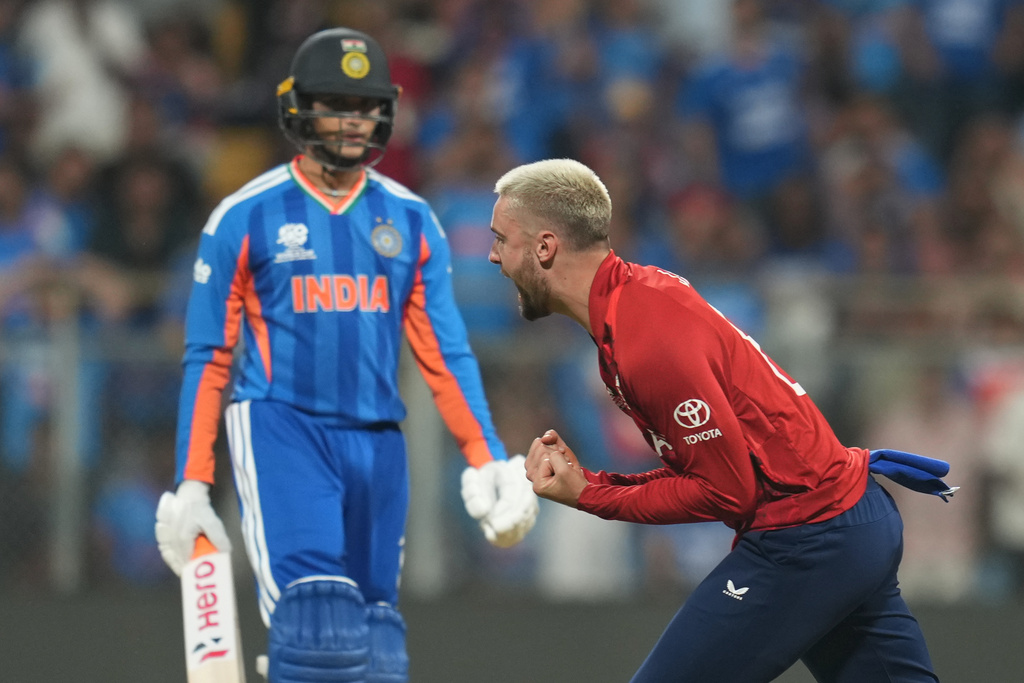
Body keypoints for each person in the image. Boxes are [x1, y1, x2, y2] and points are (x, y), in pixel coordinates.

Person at [154, 27, 538, 683]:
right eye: (336, 103)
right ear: (297, 107)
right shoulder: (244, 217)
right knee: (317, 623)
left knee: (376, 639)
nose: (354, 122)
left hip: (379, 440)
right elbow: (209, 356)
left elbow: (442, 351)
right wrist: (193, 480)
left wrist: (487, 456)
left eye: (365, 106)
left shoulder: (413, 220)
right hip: (282, 427)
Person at [488, 158, 957, 682]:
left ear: (545, 247)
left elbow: (726, 492)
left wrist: (592, 494)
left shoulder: (644, 339)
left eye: (501, 239)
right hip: (849, 516)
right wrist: (594, 484)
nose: (492, 255)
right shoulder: (637, 299)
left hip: (810, 537)